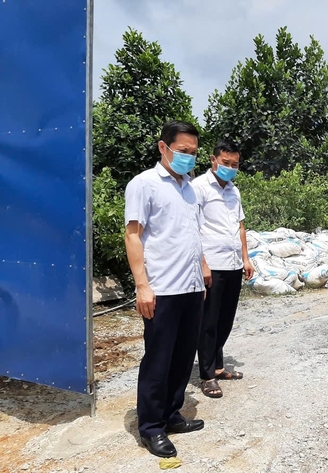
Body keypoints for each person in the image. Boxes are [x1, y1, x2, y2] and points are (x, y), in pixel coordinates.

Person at [124, 120, 210, 458]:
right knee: (158, 360)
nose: (189, 158)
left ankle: (172, 414)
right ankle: (151, 427)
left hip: (190, 287)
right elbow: (133, 235)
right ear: (164, 147)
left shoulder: (189, 187)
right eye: (183, 151)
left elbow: (192, 233)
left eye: (194, 153)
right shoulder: (144, 184)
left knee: (182, 357)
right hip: (161, 289)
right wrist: (142, 285)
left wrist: (202, 270)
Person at [192, 140, 254, 398]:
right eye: (225, 163)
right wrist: (202, 263)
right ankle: (207, 375)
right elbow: (192, 228)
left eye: (235, 165)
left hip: (233, 264)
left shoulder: (234, 191)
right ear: (213, 160)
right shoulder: (198, 188)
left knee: (226, 319)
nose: (230, 168)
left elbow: (240, 226)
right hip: (212, 265)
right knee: (209, 321)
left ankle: (218, 366)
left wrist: (246, 258)